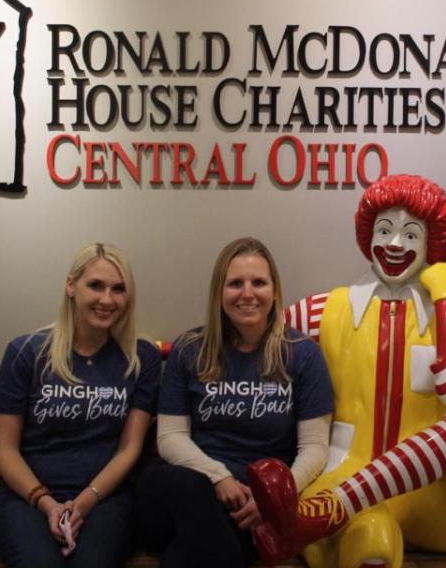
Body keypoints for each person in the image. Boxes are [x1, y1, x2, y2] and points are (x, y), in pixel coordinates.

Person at [249, 174, 446, 567]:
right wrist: (167, 351)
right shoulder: (324, 310)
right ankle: (338, 515)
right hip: (348, 480)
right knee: (370, 542)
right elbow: (251, 342)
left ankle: (327, 512)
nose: (394, 244)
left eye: (411, 234)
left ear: (432, 243)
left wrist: (444, 296)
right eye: (384, 230)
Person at [135, 237, 334, 567]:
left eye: (258, 282)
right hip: (180, 492)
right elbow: (170, 437)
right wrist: (218, 477)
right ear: (219, 292)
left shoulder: (302, 355)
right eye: (235, 284)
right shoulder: (190, 349)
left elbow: (314, 448)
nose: (247, 293)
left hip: (250, 511)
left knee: (184, 557)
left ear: (274, 291)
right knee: (187, 486)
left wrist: (273, 500)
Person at [0, 243, 160, 567]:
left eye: (118, 289)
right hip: (26, 499)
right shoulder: (26, 352)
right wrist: (45, 502)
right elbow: (6, 450)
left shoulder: (141, 358)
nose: (107, 299)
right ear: (71, 286)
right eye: (95, 285)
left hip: (106, 500)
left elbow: (129, 449)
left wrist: (82, 504)